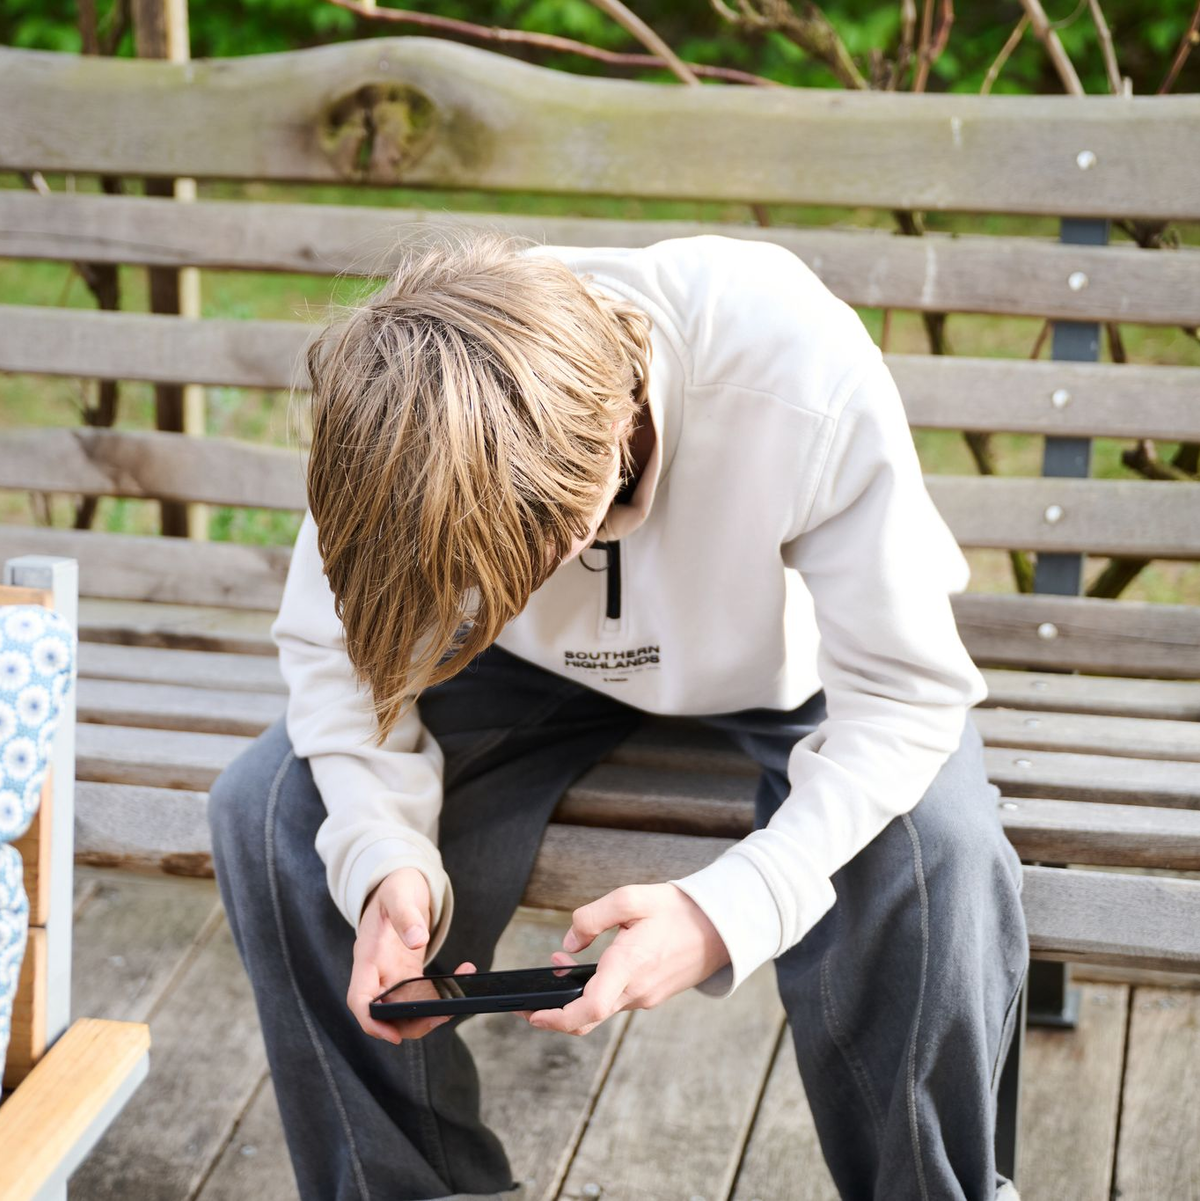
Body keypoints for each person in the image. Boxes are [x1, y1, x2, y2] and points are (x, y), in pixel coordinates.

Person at [207, 227, 1029, 1201]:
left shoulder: (794, 362)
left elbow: (906, 692)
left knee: (940, 845)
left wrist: (725, 910)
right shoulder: (413, 399)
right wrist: (381, 853)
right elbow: (342, 648)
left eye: (496, 567)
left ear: (588, 494)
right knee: (273, 811)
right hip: (513, 671)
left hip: (784, 670)